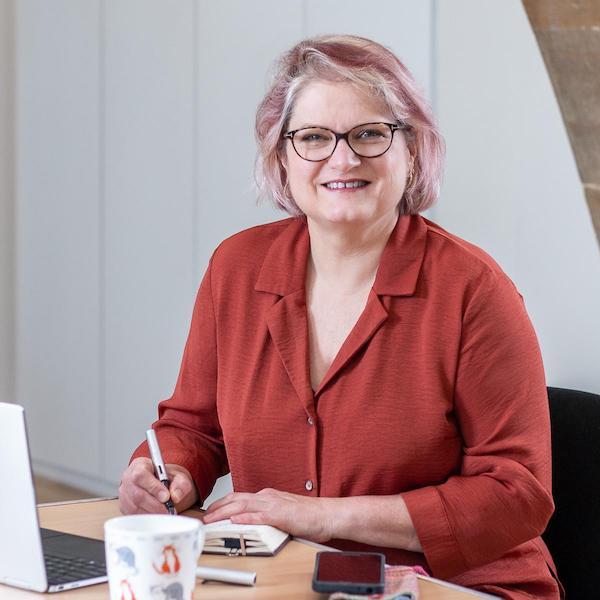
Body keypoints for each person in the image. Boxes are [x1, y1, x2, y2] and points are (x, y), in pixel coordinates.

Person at [119, 35, 561, 599]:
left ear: (413, 150)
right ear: (282, 156)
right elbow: (192, 429)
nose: (343, 158)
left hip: (453, 586)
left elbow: (516, 494)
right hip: (286, 578)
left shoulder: (475, 291)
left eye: (371, 134)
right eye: (313, 138)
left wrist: (319, 515)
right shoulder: (236, 267)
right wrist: (164, 474)